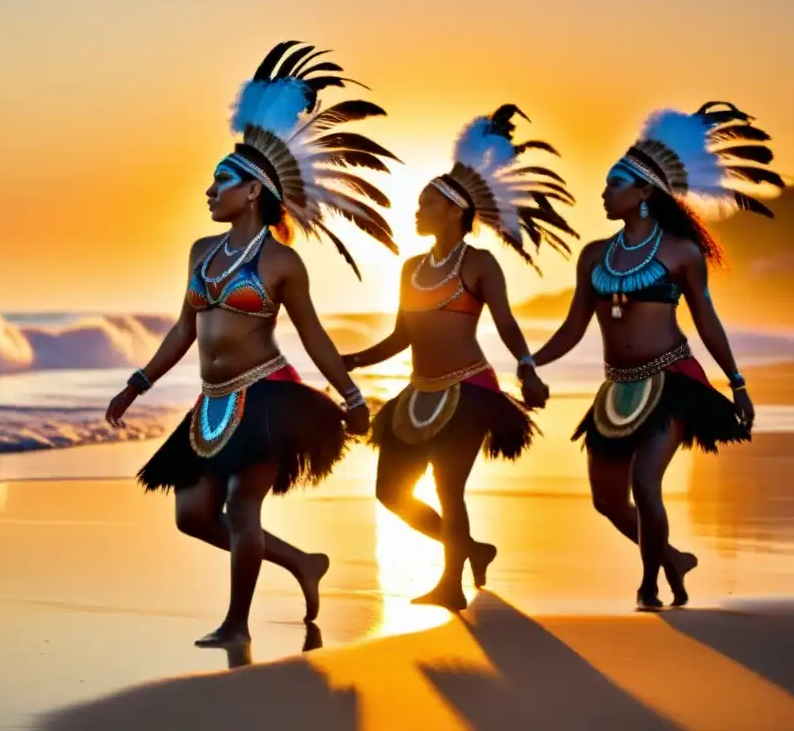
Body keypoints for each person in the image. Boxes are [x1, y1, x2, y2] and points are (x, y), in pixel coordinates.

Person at [104, 41, 401, 646]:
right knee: (192, 516)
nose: (209, 192)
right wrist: (137, 384)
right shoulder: (200, 252)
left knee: (242, 509)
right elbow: (185, 329)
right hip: (212, 402)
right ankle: (300, 562)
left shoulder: (282, 262)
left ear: (254, 191)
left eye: (221, 182)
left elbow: (313, 333)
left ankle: (236, 626)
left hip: (268, 399)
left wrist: (350, 395)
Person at [532, 101, 782, 610]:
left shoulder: (681, 253)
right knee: (606, 500)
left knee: (645, 482)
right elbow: (575, 325)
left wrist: (736, 383)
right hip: (617, 387)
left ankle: (650, 586)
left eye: (614, 184)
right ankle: (672, 556)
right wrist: (530, 362)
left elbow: (706, 320)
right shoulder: (594, 255)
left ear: (644, 192)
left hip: (673, 381)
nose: (603, 193)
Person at [344, 105, 579, 611]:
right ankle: (470, 548)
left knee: (450, 489)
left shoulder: (480, 263)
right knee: (390, 493)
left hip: (470, 391)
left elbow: (507, 323)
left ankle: (450, 586)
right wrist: (356, 359)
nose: (417, 210)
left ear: (454, 210)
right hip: (417, 393)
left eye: (426, 202)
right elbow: (402, 335)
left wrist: (528, 368)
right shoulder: (409, 268)